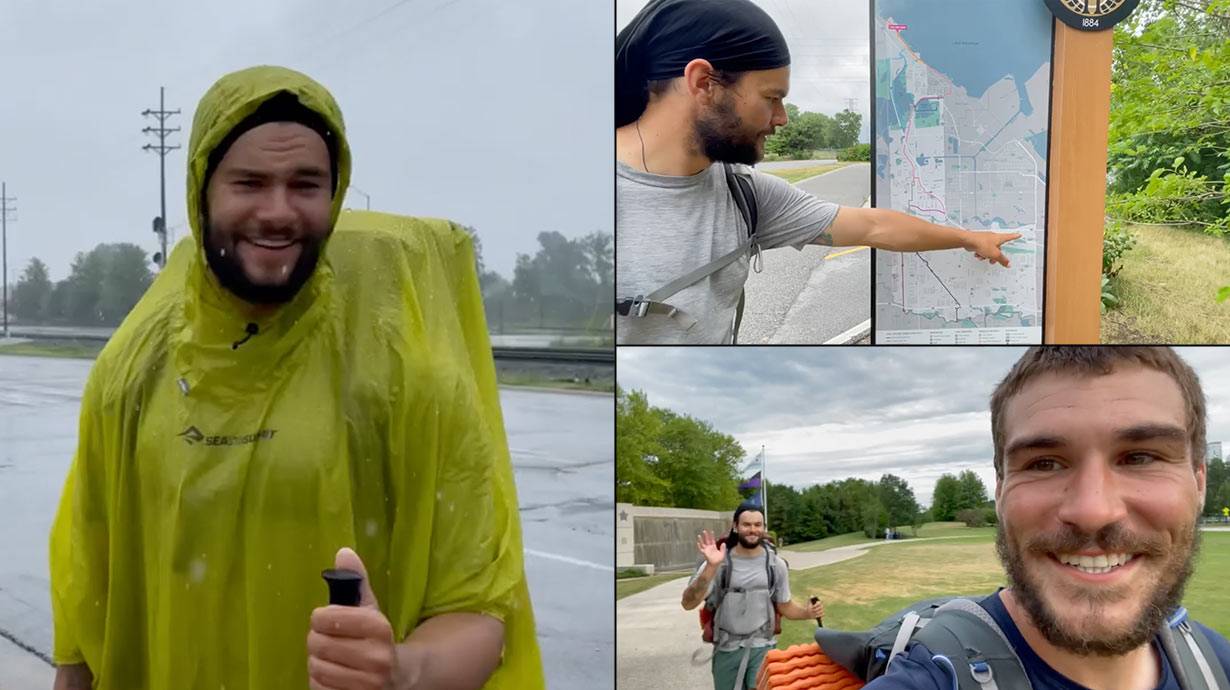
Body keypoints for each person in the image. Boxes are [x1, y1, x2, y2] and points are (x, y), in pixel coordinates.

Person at [48, 66, 544, 689]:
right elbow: (88, 582)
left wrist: (400, 670)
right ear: (202, 192)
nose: (278, 212)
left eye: (305, 184)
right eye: (249, 182)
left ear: (334, 195)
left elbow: (479, 607)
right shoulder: (132, 369)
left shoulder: (405, 372)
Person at [615, 0, 1021, 344]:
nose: (782, 118)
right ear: (704, 83)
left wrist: (970, 238)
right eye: (771, 97)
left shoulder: (746, 195)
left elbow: (873, 226)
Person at [866, 347, 1230, 690]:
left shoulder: (1215, 663)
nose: (1092, 512)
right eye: (1044, 464)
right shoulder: (932, 677)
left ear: (1199, 484)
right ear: (1000, 492)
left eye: (1140, 458)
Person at [683, 503, 825, 690]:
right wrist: (710, 568)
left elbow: (785, 606)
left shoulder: (776, 565)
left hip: (763, 648)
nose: (753, 530)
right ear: (735, 526)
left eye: (758, 525)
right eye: (747, 524)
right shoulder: (718, 561)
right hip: (727, 649)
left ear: (764, 528)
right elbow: (688, 603)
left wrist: (806, 613)